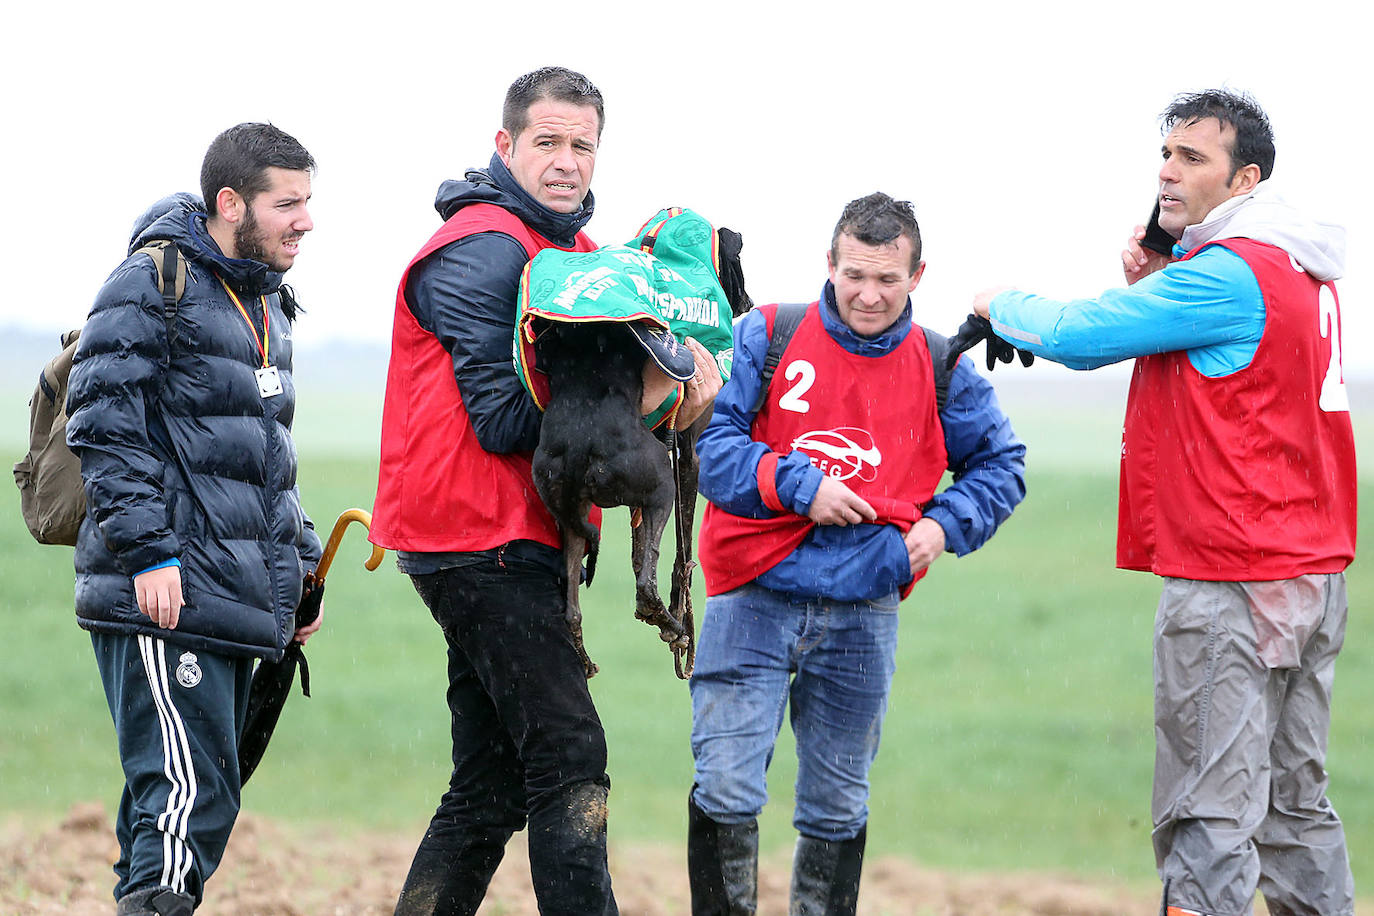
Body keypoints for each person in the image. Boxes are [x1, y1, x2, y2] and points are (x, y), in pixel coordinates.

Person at [971, 89, 1356, 916]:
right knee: (1296, 809)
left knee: (1207, 812)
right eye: (1167, 155)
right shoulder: (1300, 264)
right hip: (1311, 570)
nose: (1168, 173)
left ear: (1244, 178)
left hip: (1232, 580)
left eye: (1194, 160)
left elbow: (1078, 334)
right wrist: (1168, 267)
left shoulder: (1228, 272)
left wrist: (999, 305)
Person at [369, 66, 721, 916]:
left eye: (583, 146)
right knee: (570, 760)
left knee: (491, 785)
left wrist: (685, 384)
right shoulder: (479, 249)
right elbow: (500, 418)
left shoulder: (573, 261)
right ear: (505, 145)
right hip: (470, 537)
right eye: (547, 142)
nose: (567, 162)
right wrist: (650, 397)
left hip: (513, 535)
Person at [688, 192, 1026, 915]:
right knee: (724, 787)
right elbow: (711, 451)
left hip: (864, 610)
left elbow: (1004, 466)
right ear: (830, 264)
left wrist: (942, 528)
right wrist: (799, 486)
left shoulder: (941, 366)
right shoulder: (768, 336)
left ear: (918, 274)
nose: (869, 295)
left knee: (838, 806)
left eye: (888, 280)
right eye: (855, 276)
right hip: (752, 593)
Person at [65, 123, 323, 916]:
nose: (305, 221)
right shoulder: (151, 281)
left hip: (226, 592)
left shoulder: (263, 302)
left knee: (175, 800)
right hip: (164, 590)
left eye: (309, 203)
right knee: (190, 795)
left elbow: (258, 457)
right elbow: (103, 422)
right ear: (230, 203)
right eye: (289, 204)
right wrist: (148, 556)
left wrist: (299, 571)